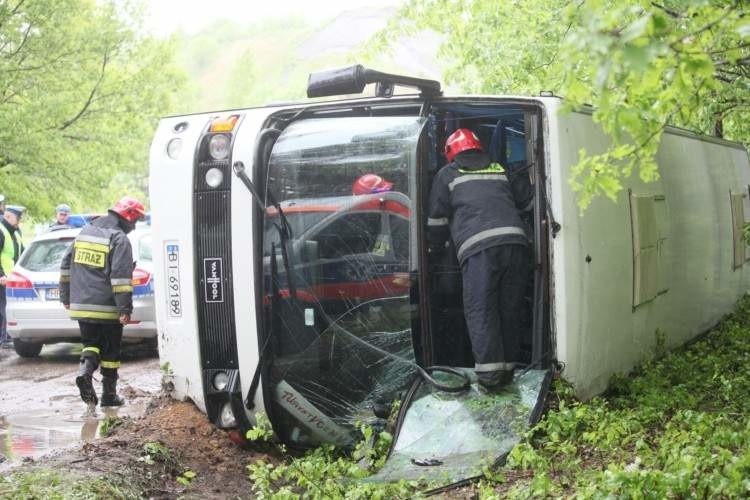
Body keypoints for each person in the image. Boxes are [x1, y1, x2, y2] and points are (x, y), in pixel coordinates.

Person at [427, 128, 533, 388]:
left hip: (479, 251)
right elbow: (528, 203)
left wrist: (435, 251)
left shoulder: (447, 174)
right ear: (478, 147)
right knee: (509, 309)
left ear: (451, 153)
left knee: (481, 310)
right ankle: (507, 372)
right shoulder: (499, 169)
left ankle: (488, 377)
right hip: (517, 246)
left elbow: (436, 220)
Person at [60, 196, 146, 406]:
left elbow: (65, 264)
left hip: (82, 305)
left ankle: (84, 371)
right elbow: (120, 278)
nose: (133, 228)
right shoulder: (119, 239)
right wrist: (124, 308)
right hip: (107, 306)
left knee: (91, 344)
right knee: (110, 351)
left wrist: (66, 296)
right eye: (134, 222)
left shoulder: (85, 232)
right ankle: (109, 396)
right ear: (127, 217)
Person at [0, 205, 25, 347]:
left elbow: (23, 252)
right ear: (8, 217)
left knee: (7, 307)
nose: (19, 222)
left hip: (13, 278)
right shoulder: (1, 231)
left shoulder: (15, 233)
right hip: (3, 278)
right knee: (4, 308)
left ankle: (7, 337)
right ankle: (5, 339)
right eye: (17, 218)